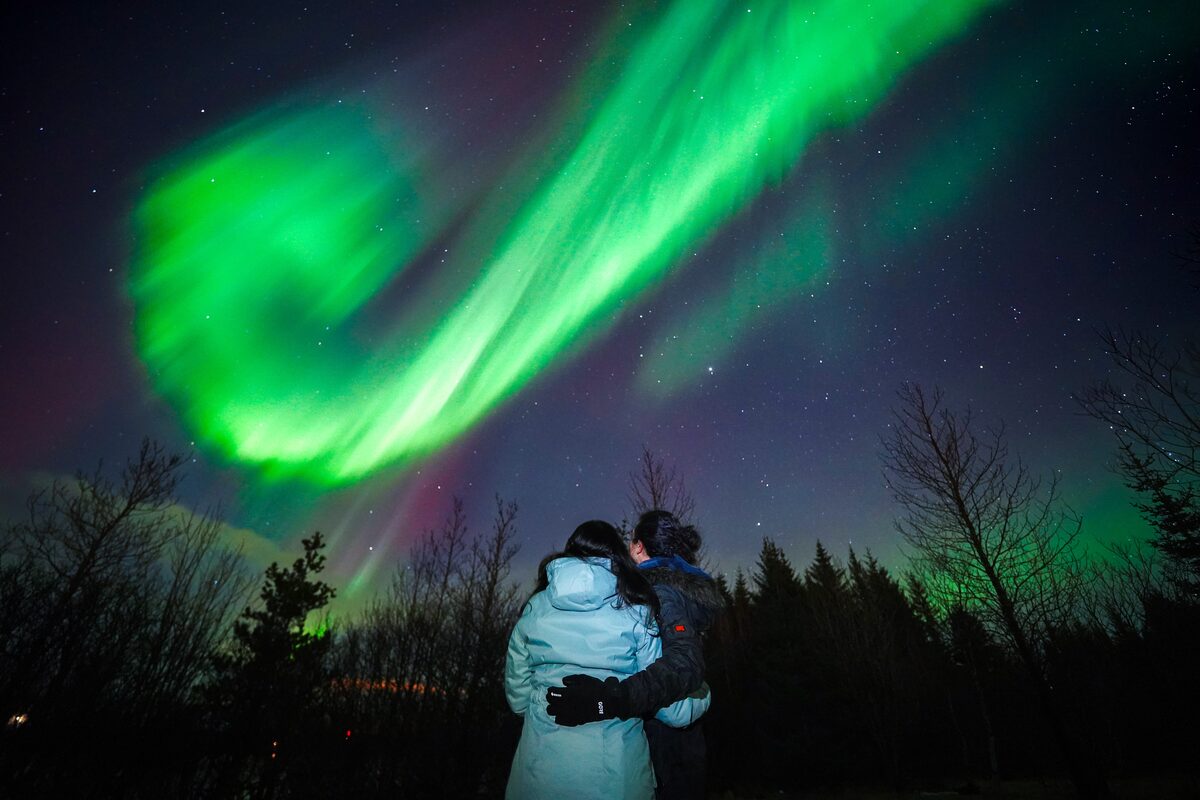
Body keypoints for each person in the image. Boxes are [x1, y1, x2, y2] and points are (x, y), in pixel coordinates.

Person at [504, 520, 710, 800]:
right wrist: (703, 694)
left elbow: (518, 698)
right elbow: (672, 711)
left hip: (537, 775)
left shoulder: (534, 607)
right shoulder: (637, 609)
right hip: (617, 780)